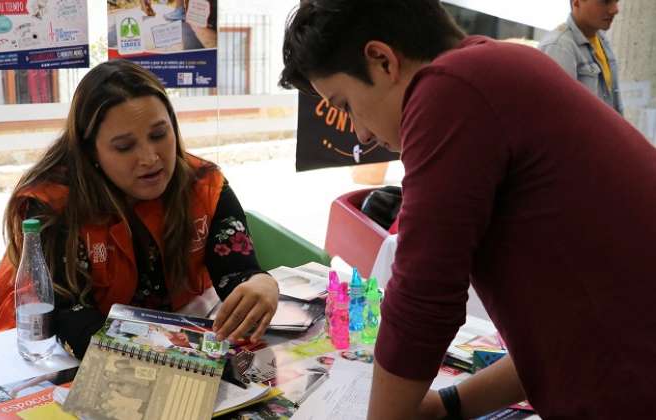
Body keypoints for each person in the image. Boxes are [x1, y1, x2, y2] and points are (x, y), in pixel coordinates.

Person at [280, 1, 656, 419]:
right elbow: (564, 333)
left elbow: (422, 300)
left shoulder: (448, 91)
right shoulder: (501, 66)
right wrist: (448, 405)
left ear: (382, 60)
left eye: (346, 104)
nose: (361, 133)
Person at [0, 59, 279, 359]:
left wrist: (261, 283)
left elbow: (236, 272)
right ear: (91, 152)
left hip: (160, 343)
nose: (150, 158)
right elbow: (63, 313)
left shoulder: (202, 184)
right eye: (124, 147)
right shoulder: (53, 205)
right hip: (51, 353)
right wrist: (158, 354)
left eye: (158, 135)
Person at [539, 0, 623, 114]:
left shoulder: (601, 39)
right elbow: (558, 117)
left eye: (616, 1)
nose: (615, 10)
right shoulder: (560, 47)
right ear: (577, 2)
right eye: (605, 1)